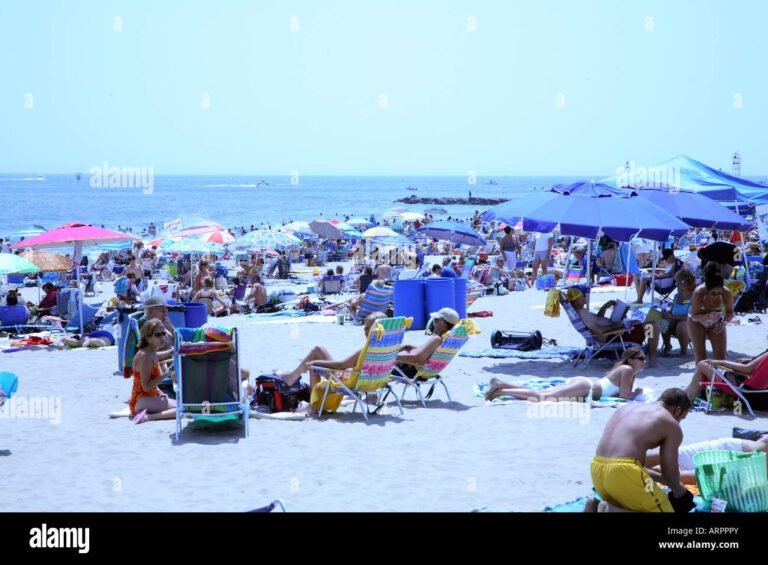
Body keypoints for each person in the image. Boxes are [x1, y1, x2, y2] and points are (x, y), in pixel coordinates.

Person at [588, 388, 693, 513]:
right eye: (682, 418)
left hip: (597, 470)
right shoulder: (670, 424)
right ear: (677, 410)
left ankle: (598, 505)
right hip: (624, 473)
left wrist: (659, 479)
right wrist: (680, 491)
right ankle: (609, 509)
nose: (679, 422)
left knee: (632, 501)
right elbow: (669, 475)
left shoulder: (627, 408)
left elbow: (635, 469)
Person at [484, 348, 646, 402]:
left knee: (542, 394)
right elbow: (625, 397)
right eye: (641, 359)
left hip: (584, 386)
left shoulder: (629, 372)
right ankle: (500, 391)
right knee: (542, 398)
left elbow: (620, 394)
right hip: (586, 388)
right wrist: (638, 393)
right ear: (631, 360)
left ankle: (501, 384)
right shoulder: (627, 370)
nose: (643, 362)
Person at [277, 312, 387, 391]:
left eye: (367, 328)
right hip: (372, 382)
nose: (364, 330)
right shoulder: (387, 348)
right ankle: (291, 376)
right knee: (319, 349)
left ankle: (312, 405)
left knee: (315, 361)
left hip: (351, 381)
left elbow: (341, 365)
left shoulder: (367, 350)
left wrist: (312, 364)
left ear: (375, 331)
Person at [565, 287, 660, 368]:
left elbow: (597, 320)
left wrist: (605, 307)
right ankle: (652, 358)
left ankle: (649, 348)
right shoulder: (582, 314)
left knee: (642, 323)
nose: (585, 297)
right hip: (614, 336)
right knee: (652, 326)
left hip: (614, 333)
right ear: (577, 299)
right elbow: (599, 330)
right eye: (583, 296)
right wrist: (618, 325)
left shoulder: (580, 311)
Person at [645, 435, 768, 485]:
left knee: (682, 474)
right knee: (670, 457)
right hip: (735, 452)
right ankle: (628, 460)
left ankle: (635, 468)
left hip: (744, 470)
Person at [129, 319, 177, 424]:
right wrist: (166, 374)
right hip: (140, 400)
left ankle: (148, 414)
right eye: (158, 335)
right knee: (181, 409)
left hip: (147, 398)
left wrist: (160, 392)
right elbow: (146, 386)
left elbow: (161, 355)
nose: (162, 337)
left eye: (163, 333)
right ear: (148, 338)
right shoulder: (145, 357)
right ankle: (149, 417)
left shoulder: (151, 352)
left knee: (181, 405)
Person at [687, 262, 735, 366]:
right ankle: (702, 380)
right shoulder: (699, 292)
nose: (716, 295)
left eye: (719, 292)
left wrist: (724, 322)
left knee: (720, 358)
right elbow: (694, 316)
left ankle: (717, 379)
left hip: (717, 321)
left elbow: (731, 312)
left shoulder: (726, 292)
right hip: (697, 321)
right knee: (701, 358)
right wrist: (708, 316)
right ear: (707, 289)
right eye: (713, 293)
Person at [395, 308, 460, 379]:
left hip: (411, 373)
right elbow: (430, 353)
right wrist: (407, 347)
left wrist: (391, 356)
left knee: (385, 363)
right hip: (429, 372)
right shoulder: (447, 340)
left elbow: (415, 358)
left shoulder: (437, 339)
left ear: (444, 324)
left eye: (436, 320)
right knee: (406, 347)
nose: (434, 322)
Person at [684, 348, 768, 402]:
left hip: (742, 386)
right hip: (762, 390)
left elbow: (746, 369)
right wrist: (750, 360)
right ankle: (685, 395)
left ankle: (687, 400)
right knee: (707, 368)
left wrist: (722, 362)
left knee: (702, 365)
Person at [660, 269, 696, 356]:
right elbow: (671, 311)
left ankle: (683, 352)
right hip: (675, 324)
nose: (676, 284)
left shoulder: (695, 296)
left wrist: (672, 317)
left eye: (678, 282)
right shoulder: (677, 296)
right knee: (663, 321)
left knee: (682, 325)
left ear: (685, 283)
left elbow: (692, 317)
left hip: (692, 327)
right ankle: (668, 345)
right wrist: (665, 313)